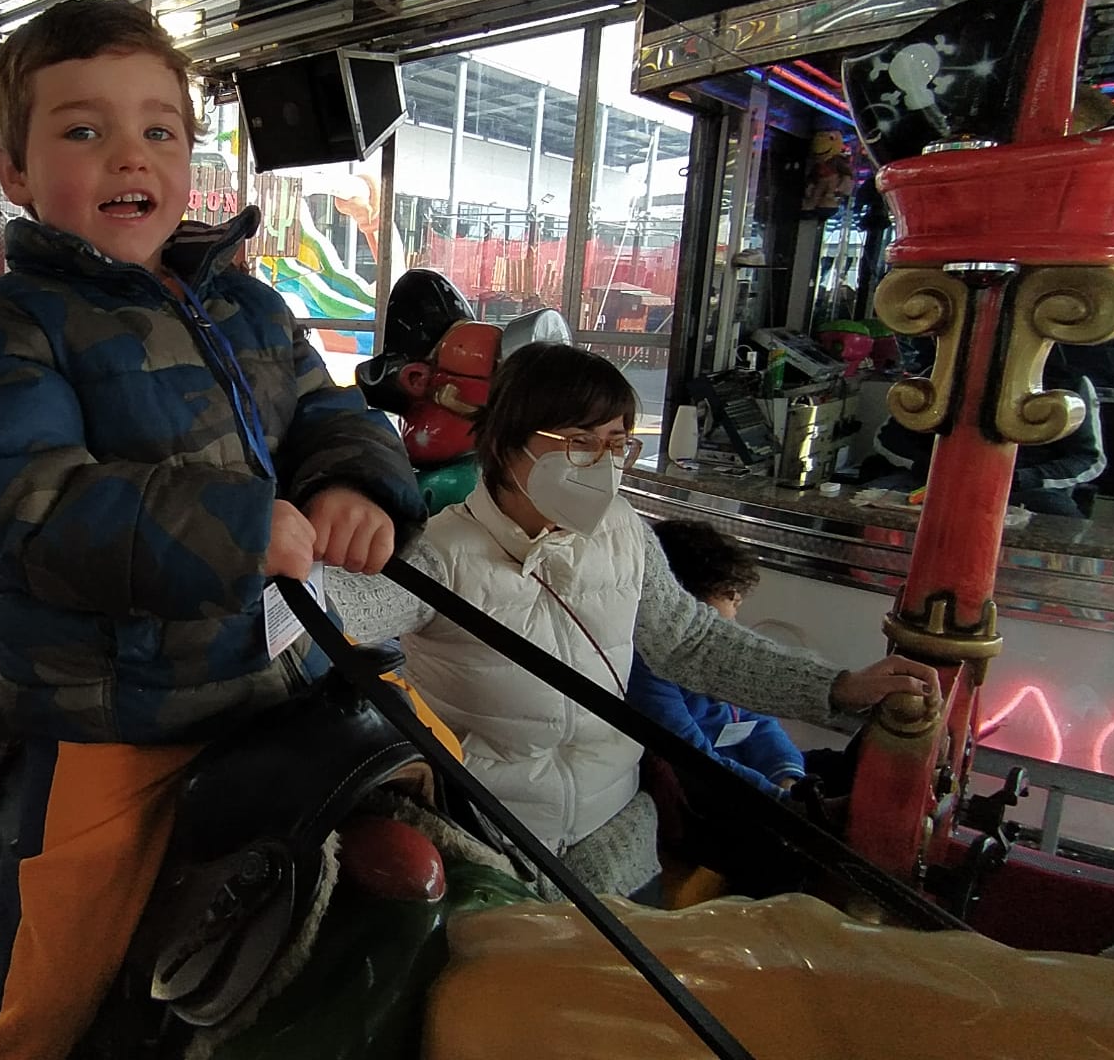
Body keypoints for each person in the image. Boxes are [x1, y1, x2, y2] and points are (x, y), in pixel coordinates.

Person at [0, 0, 426, 1060]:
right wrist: (240, 526)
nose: (128, 155)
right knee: (53, 969)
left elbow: (330, 413)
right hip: (122, 708)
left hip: (288, 674)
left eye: (158, 129)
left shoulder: (250, 305)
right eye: (81, 130)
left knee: (449, 769)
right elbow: (29, 501)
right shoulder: (8, 323)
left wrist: (354, 483)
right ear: (14, 172)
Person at [400, 342, 935, 899]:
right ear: (509, 442)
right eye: (580, 444)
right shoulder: (434, 557)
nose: (603, 465)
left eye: (616, 444)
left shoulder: (622, 531)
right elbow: (335, 616)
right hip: (495, 854)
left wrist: (838, 687)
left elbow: (691, 641)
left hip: (617, 846)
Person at [626, 519, 805, 799]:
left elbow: (760, 725)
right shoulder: (647, 666)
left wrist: (789, 780)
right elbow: (692, 759)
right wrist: (780, 802)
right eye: (725, 591)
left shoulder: (725, 652)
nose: (737, 599)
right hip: (707, 799)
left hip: (756, 786)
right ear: (680, 599)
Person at [869, 343, 1106, 517]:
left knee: (1063, 524)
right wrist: (927, 465)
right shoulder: (937, 376)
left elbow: (1088, 458)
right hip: (933, 480)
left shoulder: (1069, 385)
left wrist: (1027, 477)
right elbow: (888, 437)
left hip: (1024, 489)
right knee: (869, 502)